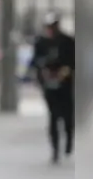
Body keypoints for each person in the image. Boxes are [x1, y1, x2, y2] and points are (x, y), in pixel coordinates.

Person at [28, 13, 75, 164]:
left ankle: (69, 140)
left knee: (68, 115)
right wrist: (42, 70)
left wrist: (66, 71)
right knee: (53, 116)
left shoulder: (68, 41)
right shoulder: (41, 42)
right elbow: (34, 61)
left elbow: (73, 60)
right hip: (49, 83)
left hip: (65, 83)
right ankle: (55, 149)